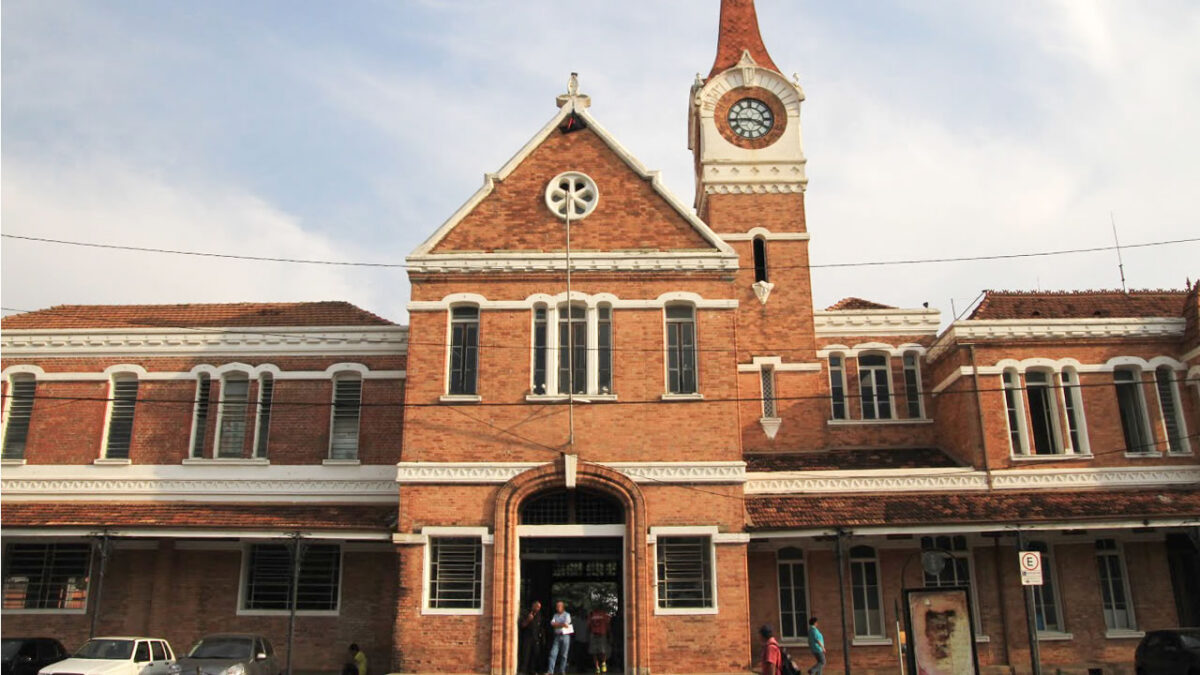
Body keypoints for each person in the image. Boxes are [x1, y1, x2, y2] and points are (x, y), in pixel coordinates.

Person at [518, 599, 545, 675]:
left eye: (539, 607)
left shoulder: (539, 615)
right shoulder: (526, 613)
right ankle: (523, 670)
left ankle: (532, 670)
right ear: (533, 606)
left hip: (536, 638)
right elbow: (522, 625)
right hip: (527, 637)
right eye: (536, 606)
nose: (538, 608)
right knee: (526, 654)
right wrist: (528, 620)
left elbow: (541, 627)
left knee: (535, 654)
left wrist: (541, 637)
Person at [547, 600, 574, 675]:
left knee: (564, 655)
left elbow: (566, 624)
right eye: (557, 606)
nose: (557, 607)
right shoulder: (555, 615)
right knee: (553, 654)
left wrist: (557, 624)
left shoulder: (567, 615)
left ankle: (562, 671)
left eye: (559, 606)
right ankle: (550, 671)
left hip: (565, 636)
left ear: (562, 607)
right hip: (557, 636)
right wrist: (560, 624)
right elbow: (552, 624)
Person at [587, 604, 613, 673]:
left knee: (603, 651)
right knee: (594, 652)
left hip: (602, 635)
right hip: (594, 635)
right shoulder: (591, 614)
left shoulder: (604, 614)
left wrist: (609, 634)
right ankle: (597, 667)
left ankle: (603, 663)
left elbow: (608, 624)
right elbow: (588, 625)